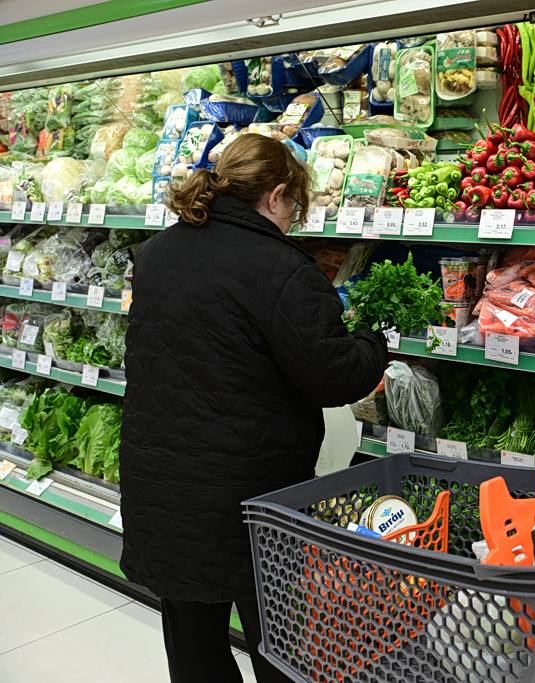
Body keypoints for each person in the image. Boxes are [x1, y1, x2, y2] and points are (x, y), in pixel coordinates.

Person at [118, 134, 387, 683]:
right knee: (278, 643)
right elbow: (334, 376)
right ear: (276, 196)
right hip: (247, 494)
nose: (292, 221)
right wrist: (374, 342)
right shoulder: (282, 270)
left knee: (194, 646)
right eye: (294, 208)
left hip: (163, 481)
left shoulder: (156, 253)